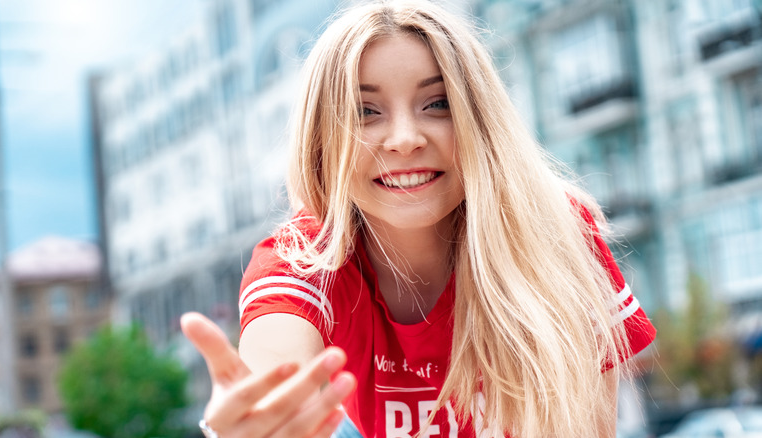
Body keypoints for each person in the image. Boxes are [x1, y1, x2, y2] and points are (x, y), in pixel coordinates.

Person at [180, 1, 657, 437]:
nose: (404, 138)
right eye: (365, 112)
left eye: (437, 103)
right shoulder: (300, 261)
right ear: (322, 142)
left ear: (480, 121)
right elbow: (275, 371)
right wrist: (254, 421)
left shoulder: (556, 231)